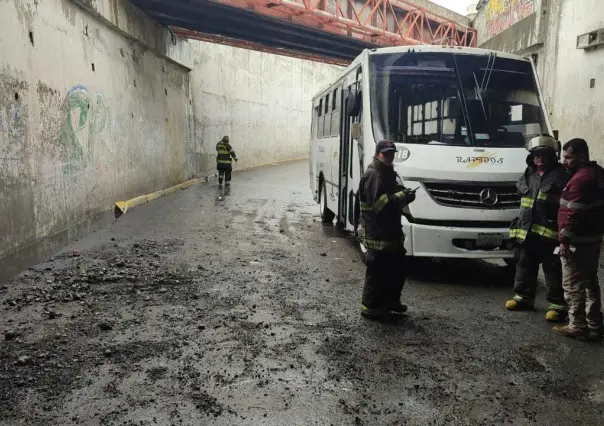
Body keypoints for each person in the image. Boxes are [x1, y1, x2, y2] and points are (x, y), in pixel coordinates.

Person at [506, 134, 568, 321]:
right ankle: (523, 298)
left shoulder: (561, 176)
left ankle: (557, 306)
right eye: (536, 154)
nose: (539, 158)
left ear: (551, 156)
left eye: (543, 154)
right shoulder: (528, 175)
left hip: (550, 234)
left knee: (552, 268)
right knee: (525, 264)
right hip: (527, 231)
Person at [357, 140, 416, 320]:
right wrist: (403, 197)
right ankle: (371, 308)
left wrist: (402, 192)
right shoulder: (374, 175)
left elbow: (391, 192)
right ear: (378, 154)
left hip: (390, 233)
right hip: (378, 233)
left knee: (397, 268)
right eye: (386, 153)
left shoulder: (387, 172)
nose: (389, 156)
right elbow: (380, 206)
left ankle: (391, 302)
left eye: (391, 153)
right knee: (377, 271)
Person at [553, 138, 604, 340]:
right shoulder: (598, 173)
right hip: (592, 238)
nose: (564, 161)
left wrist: (564, 240)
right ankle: (594, 324)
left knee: (573, 284)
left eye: (568, 157)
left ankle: (578, 325)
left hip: (577, 241)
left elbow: (574, 214)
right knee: (590, 281)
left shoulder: (580, 180)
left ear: (582, 157)